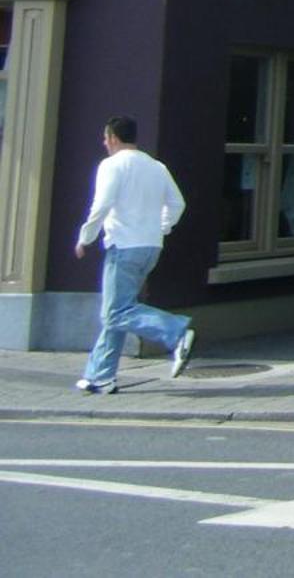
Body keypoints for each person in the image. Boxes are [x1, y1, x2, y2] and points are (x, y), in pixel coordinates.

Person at [74, 116, 195, 393]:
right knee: (118, 310)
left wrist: (85, 238)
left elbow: (101, 204)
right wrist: (162, 227)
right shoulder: (157, 166)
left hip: (124, 247)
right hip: (151, 247)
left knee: (116, 312)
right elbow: (177, 202)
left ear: (114, 138)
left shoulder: (112, 165)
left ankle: (176, 332)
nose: (104, 143)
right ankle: (100, 376)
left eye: (105, 138)